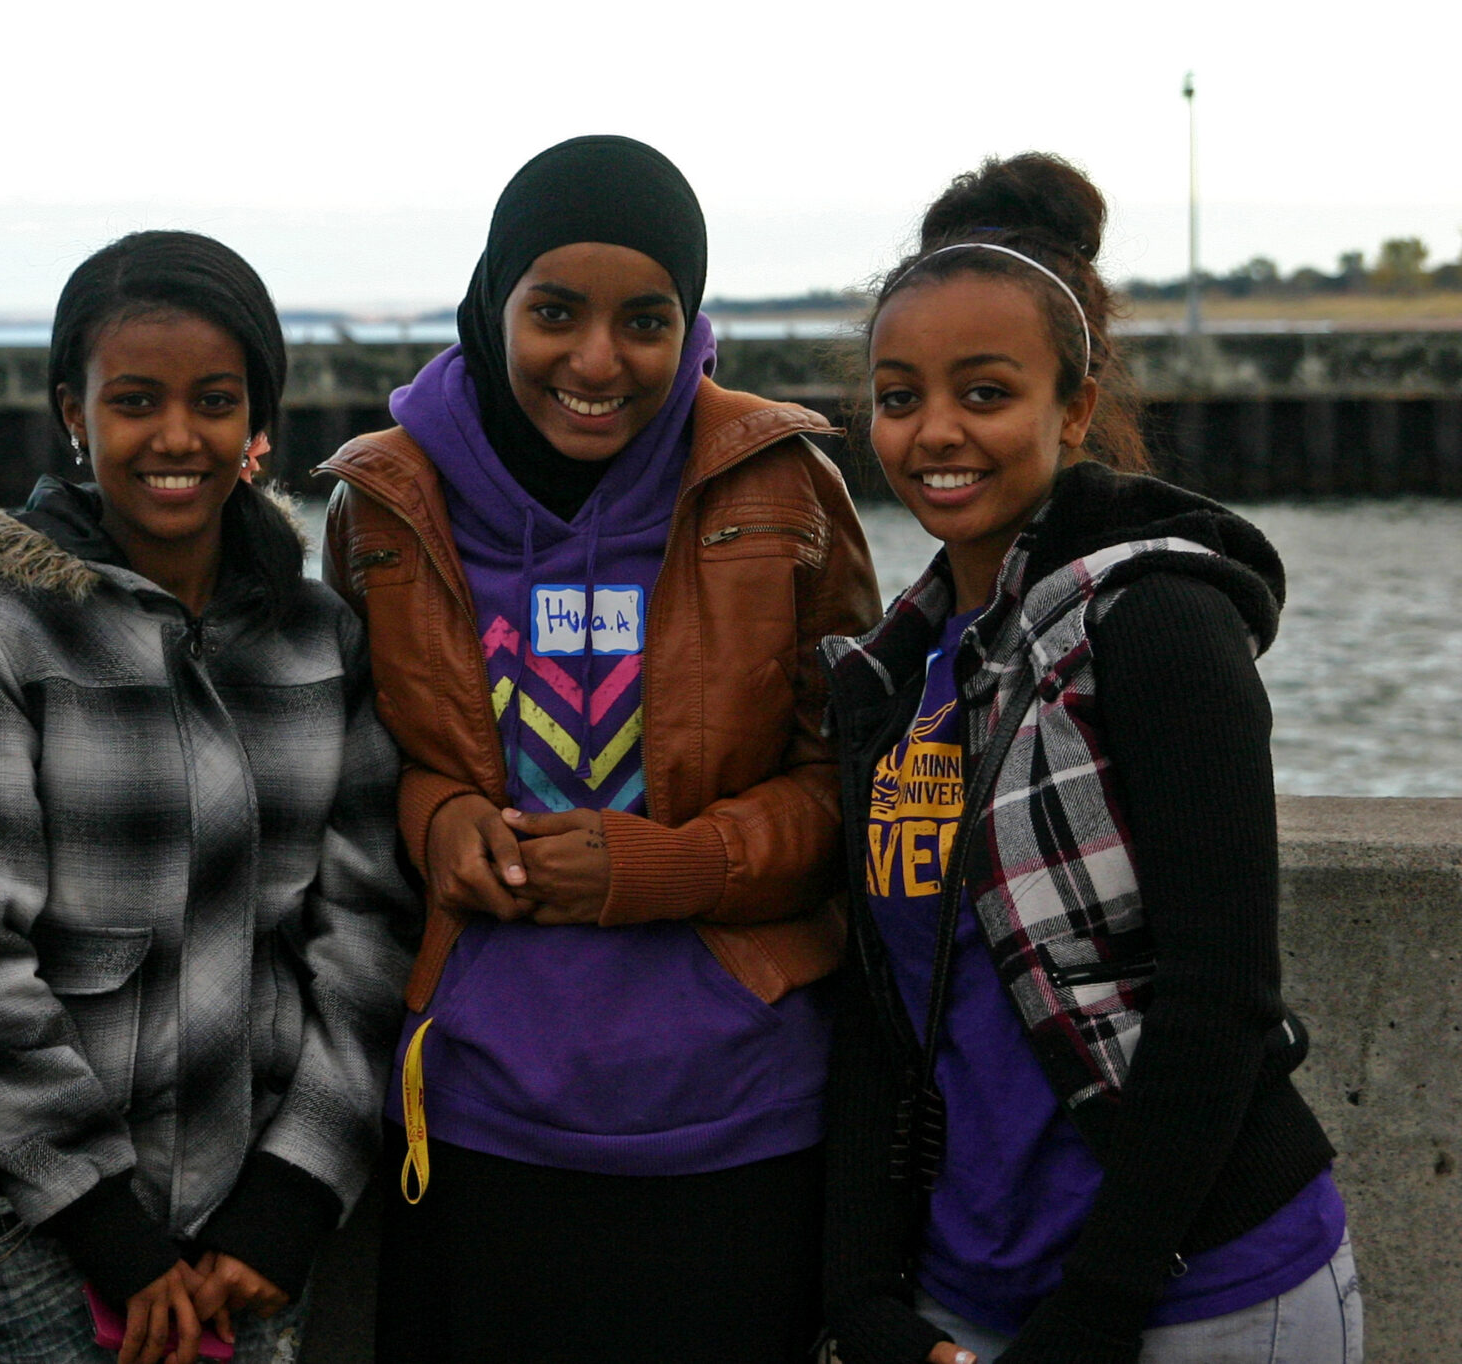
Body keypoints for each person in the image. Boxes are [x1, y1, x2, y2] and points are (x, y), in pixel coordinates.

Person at [316, 134, 881, 1364]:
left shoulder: (782, 487)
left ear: (691, 324)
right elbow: (352, 766)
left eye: (645, 319)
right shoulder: (385, 498)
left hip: (742, 1119)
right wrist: (437, 818)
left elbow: (858, 788)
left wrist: (663, 867)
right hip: (470, 1119)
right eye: (554, 312)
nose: (595, 359)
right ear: (492, 303)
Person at [821, 154, 1360, 1364]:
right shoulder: (894, 678)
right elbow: (879, 1005)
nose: (934, 433)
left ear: (1073, 407)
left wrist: (1097, 1310)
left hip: (1203, 1295)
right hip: (961, 1293)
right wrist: (860, 1294)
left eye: (985, 392)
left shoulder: (1157, 622)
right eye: (898, 396)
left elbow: (1220, 998)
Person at [0, 230, 415, 1364]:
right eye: (134, 400)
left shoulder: (322, 642)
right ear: (72, 413)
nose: (176, 438)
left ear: (256, 419)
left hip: (252, 1218)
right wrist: (110, 1233)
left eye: (214, 401)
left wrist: (295, 1191)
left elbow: (369, 934)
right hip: (30, 1215)